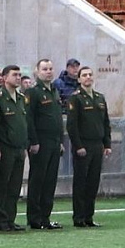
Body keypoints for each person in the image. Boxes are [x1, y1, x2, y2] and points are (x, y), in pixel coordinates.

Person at [0, 64, 29, 231]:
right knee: (1, 184)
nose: (18, 77)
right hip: (5, 147)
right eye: (14, 75)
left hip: (18, 147)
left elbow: (23, 124)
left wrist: (25, 144)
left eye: (19, 75)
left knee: (14, 185)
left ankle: (10, 218)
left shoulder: (21, 97)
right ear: (5, 78)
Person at [65, 66, 111, 227]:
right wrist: (78, 145)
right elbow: (72, 125)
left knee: (93, 182)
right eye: (84, 75)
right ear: (79, 79)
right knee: (81, 183)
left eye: (90, 74)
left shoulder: (99, 97)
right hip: (83, 145)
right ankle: (78, 217)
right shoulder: (75, 98)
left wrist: (107, 144)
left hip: (97, 145)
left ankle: (89, 216)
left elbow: (105, 122)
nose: (88, 77)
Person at [23, 59, 65, 230]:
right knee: (38, 180)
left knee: (50, 181)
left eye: (50, 69)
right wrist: (33, 142)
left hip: (54, 142)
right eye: (44, 69)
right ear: (37, 71)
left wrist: (61, 142)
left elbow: (57, 118)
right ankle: (35, 218)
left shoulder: (54, 90)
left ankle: (45, 217)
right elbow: (29, 118)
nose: (48, 72)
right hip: (41, 142)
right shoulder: (33, 92)